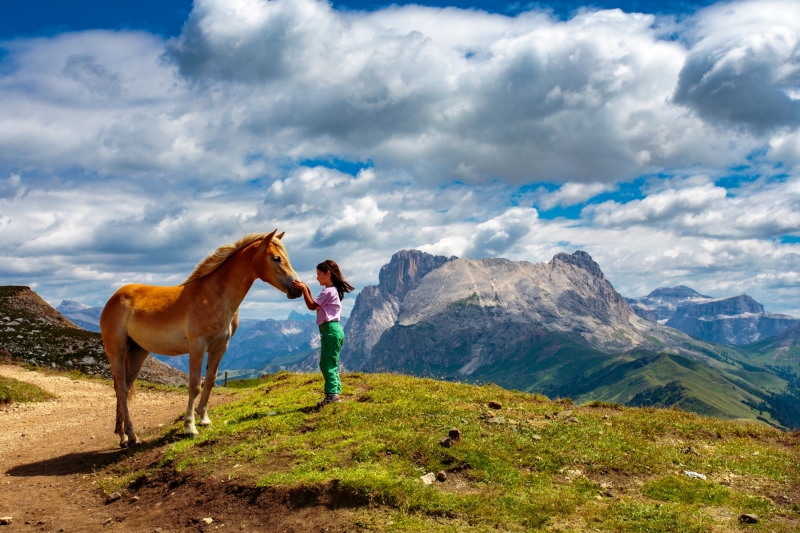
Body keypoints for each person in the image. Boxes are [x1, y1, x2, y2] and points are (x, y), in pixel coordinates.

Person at [292, 260, 354, 407]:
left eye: (319, 274)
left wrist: (304, 290)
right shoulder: (332, 291)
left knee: (327, 364)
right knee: (330, 362)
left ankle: (332, 396)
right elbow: (316, 303)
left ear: (328, 273)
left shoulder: (328, 291)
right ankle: (335, 392)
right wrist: (305, 288)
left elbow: (312, 305)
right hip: (333, 330)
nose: (317, 278)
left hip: (330, 330)